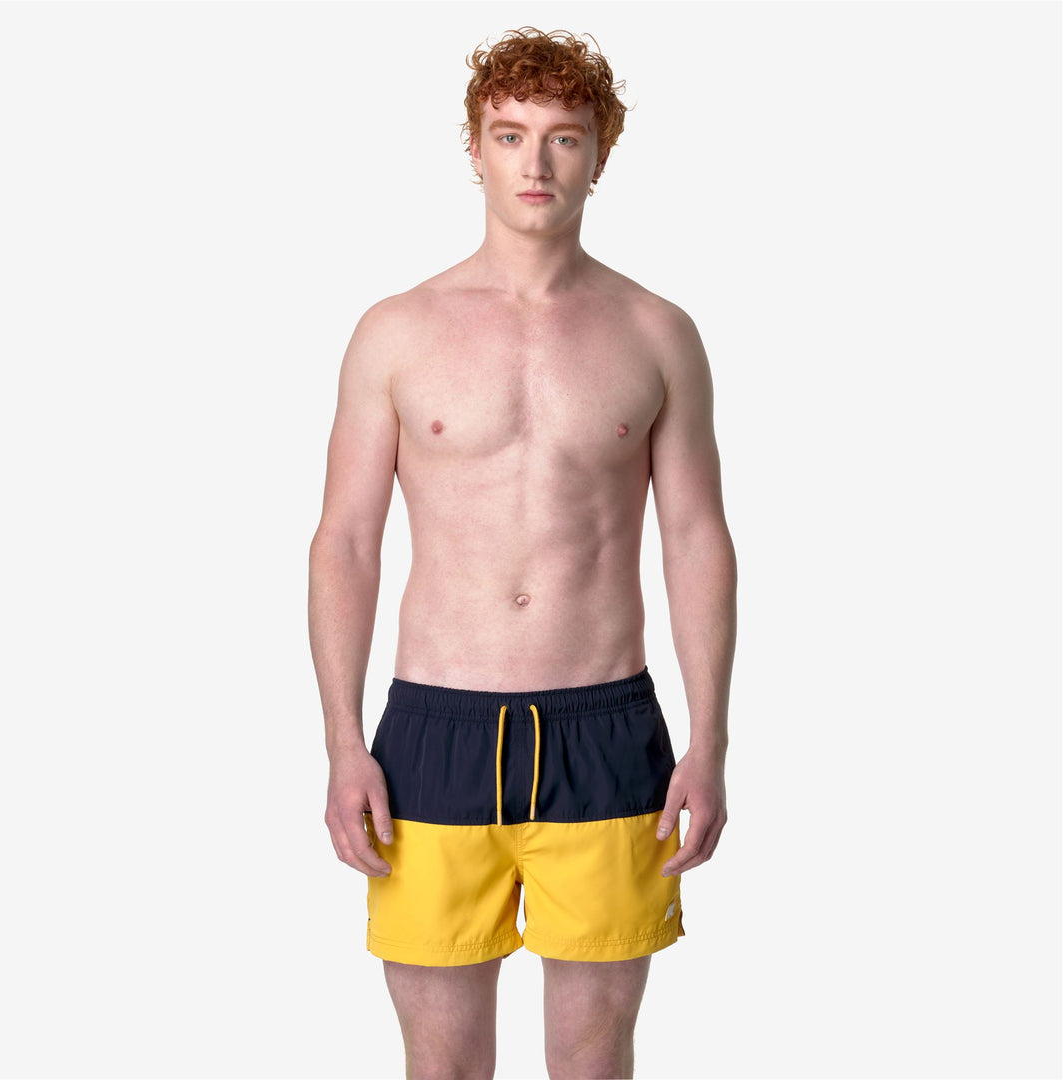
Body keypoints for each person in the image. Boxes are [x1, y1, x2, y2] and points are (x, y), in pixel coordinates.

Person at [308, 25, 737, 1080]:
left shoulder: (656, 332)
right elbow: (346, 542)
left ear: (600, 153)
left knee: (593, 1061)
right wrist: (343, 743)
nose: (535, 163)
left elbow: (696, 538)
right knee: (443, 1065)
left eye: (563, 137)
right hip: (433, 733)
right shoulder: (396, 330)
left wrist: (710, 741)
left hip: (607, 729)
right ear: (475, 148)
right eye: (510, 135)